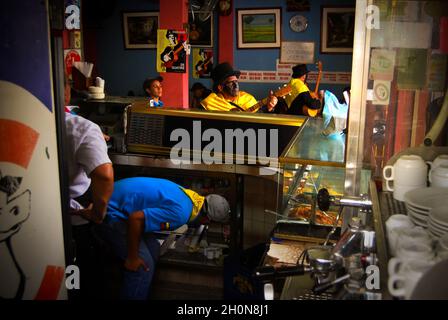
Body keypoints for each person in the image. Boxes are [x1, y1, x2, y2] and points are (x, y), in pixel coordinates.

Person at [97, 177, 231, 300]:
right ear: (207, 219)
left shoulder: (190, 197)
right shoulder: (181, 214)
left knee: (154, 248)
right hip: (110, 211)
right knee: (143, 267)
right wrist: (132, 258)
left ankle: (136, 289)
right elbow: (135, 220)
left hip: (119, 203)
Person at [64, 75, 114, 299]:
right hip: (75, 220)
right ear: (66, 90)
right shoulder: (81, 127)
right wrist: (97, 213)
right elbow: (104, 176)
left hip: (36, 218)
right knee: (84, 278)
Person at [200, 62, 278, 112]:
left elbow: (261, 117)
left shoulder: (247, 99)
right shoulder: (210, 103)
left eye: (236, 81)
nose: (236, 85)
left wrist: (269, 108)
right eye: (231, 83)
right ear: (220, 87)